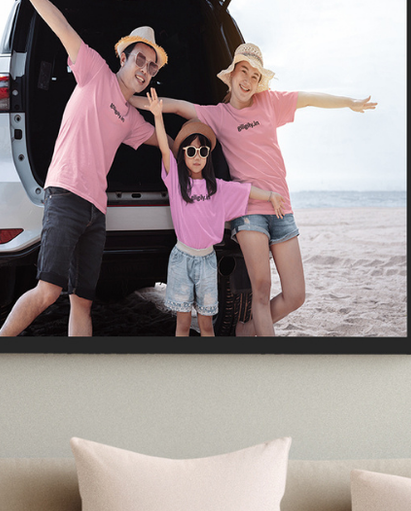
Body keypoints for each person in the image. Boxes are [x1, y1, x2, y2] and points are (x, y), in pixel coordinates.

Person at [0, 0, 166, 338]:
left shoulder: (132, 119)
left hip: (96, 212)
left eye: (152, 66)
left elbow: (164, 142)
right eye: (139, 59)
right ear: (123, 57)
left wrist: (197, 131)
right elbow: (61, 26)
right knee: (48, 291)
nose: (144, 69)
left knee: (82, 302)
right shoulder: (94, 71)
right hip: (66, 195)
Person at [146, 43, 375, 336]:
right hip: (248, 211)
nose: (249, 80)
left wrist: (349, 102)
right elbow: (178, 106)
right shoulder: (219, 115)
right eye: (244, 71)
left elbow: (309, 98)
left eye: (255, 76)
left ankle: (247, 331)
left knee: (296, 295)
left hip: (281, 207)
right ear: (231, 75)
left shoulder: (270, 102)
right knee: (262, 290)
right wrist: (126, 96)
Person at [141, 92, 281, 337]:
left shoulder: (217, 188)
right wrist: (157, 116)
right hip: (182, 259)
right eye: (191, 151)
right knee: (183, 323)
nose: (197, 157)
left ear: (207, 156)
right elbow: (164, 147)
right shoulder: (176, 182)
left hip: (207, 261)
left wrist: (270, 196)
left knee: (206, 325)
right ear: (183, 154)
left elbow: (246, 190)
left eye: (202, 151)